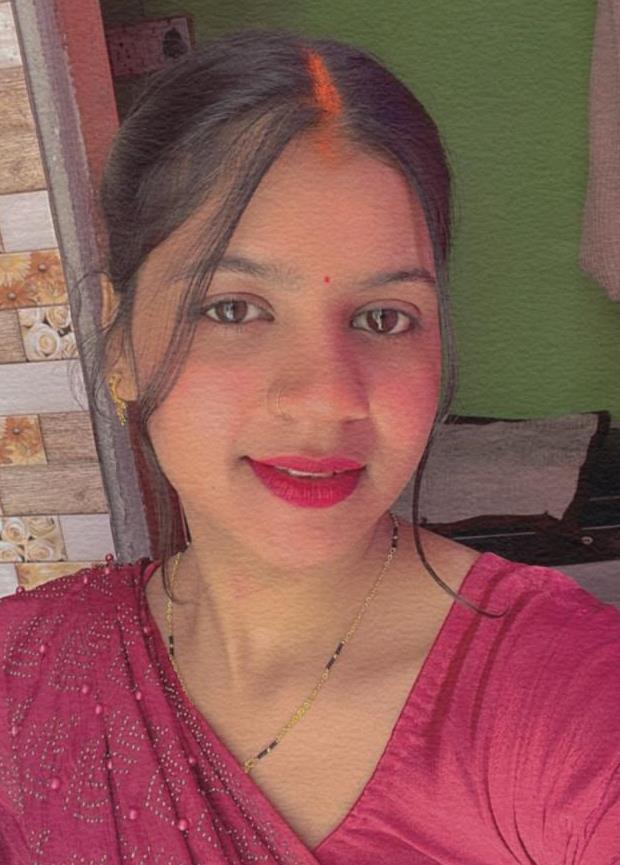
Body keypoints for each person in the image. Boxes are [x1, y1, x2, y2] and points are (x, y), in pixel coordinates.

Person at [0, 28, 618, 865]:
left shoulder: (566, 699)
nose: (328, 395)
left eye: (384, 318)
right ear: (121, 348)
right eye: (233, 308)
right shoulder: (25, 675)